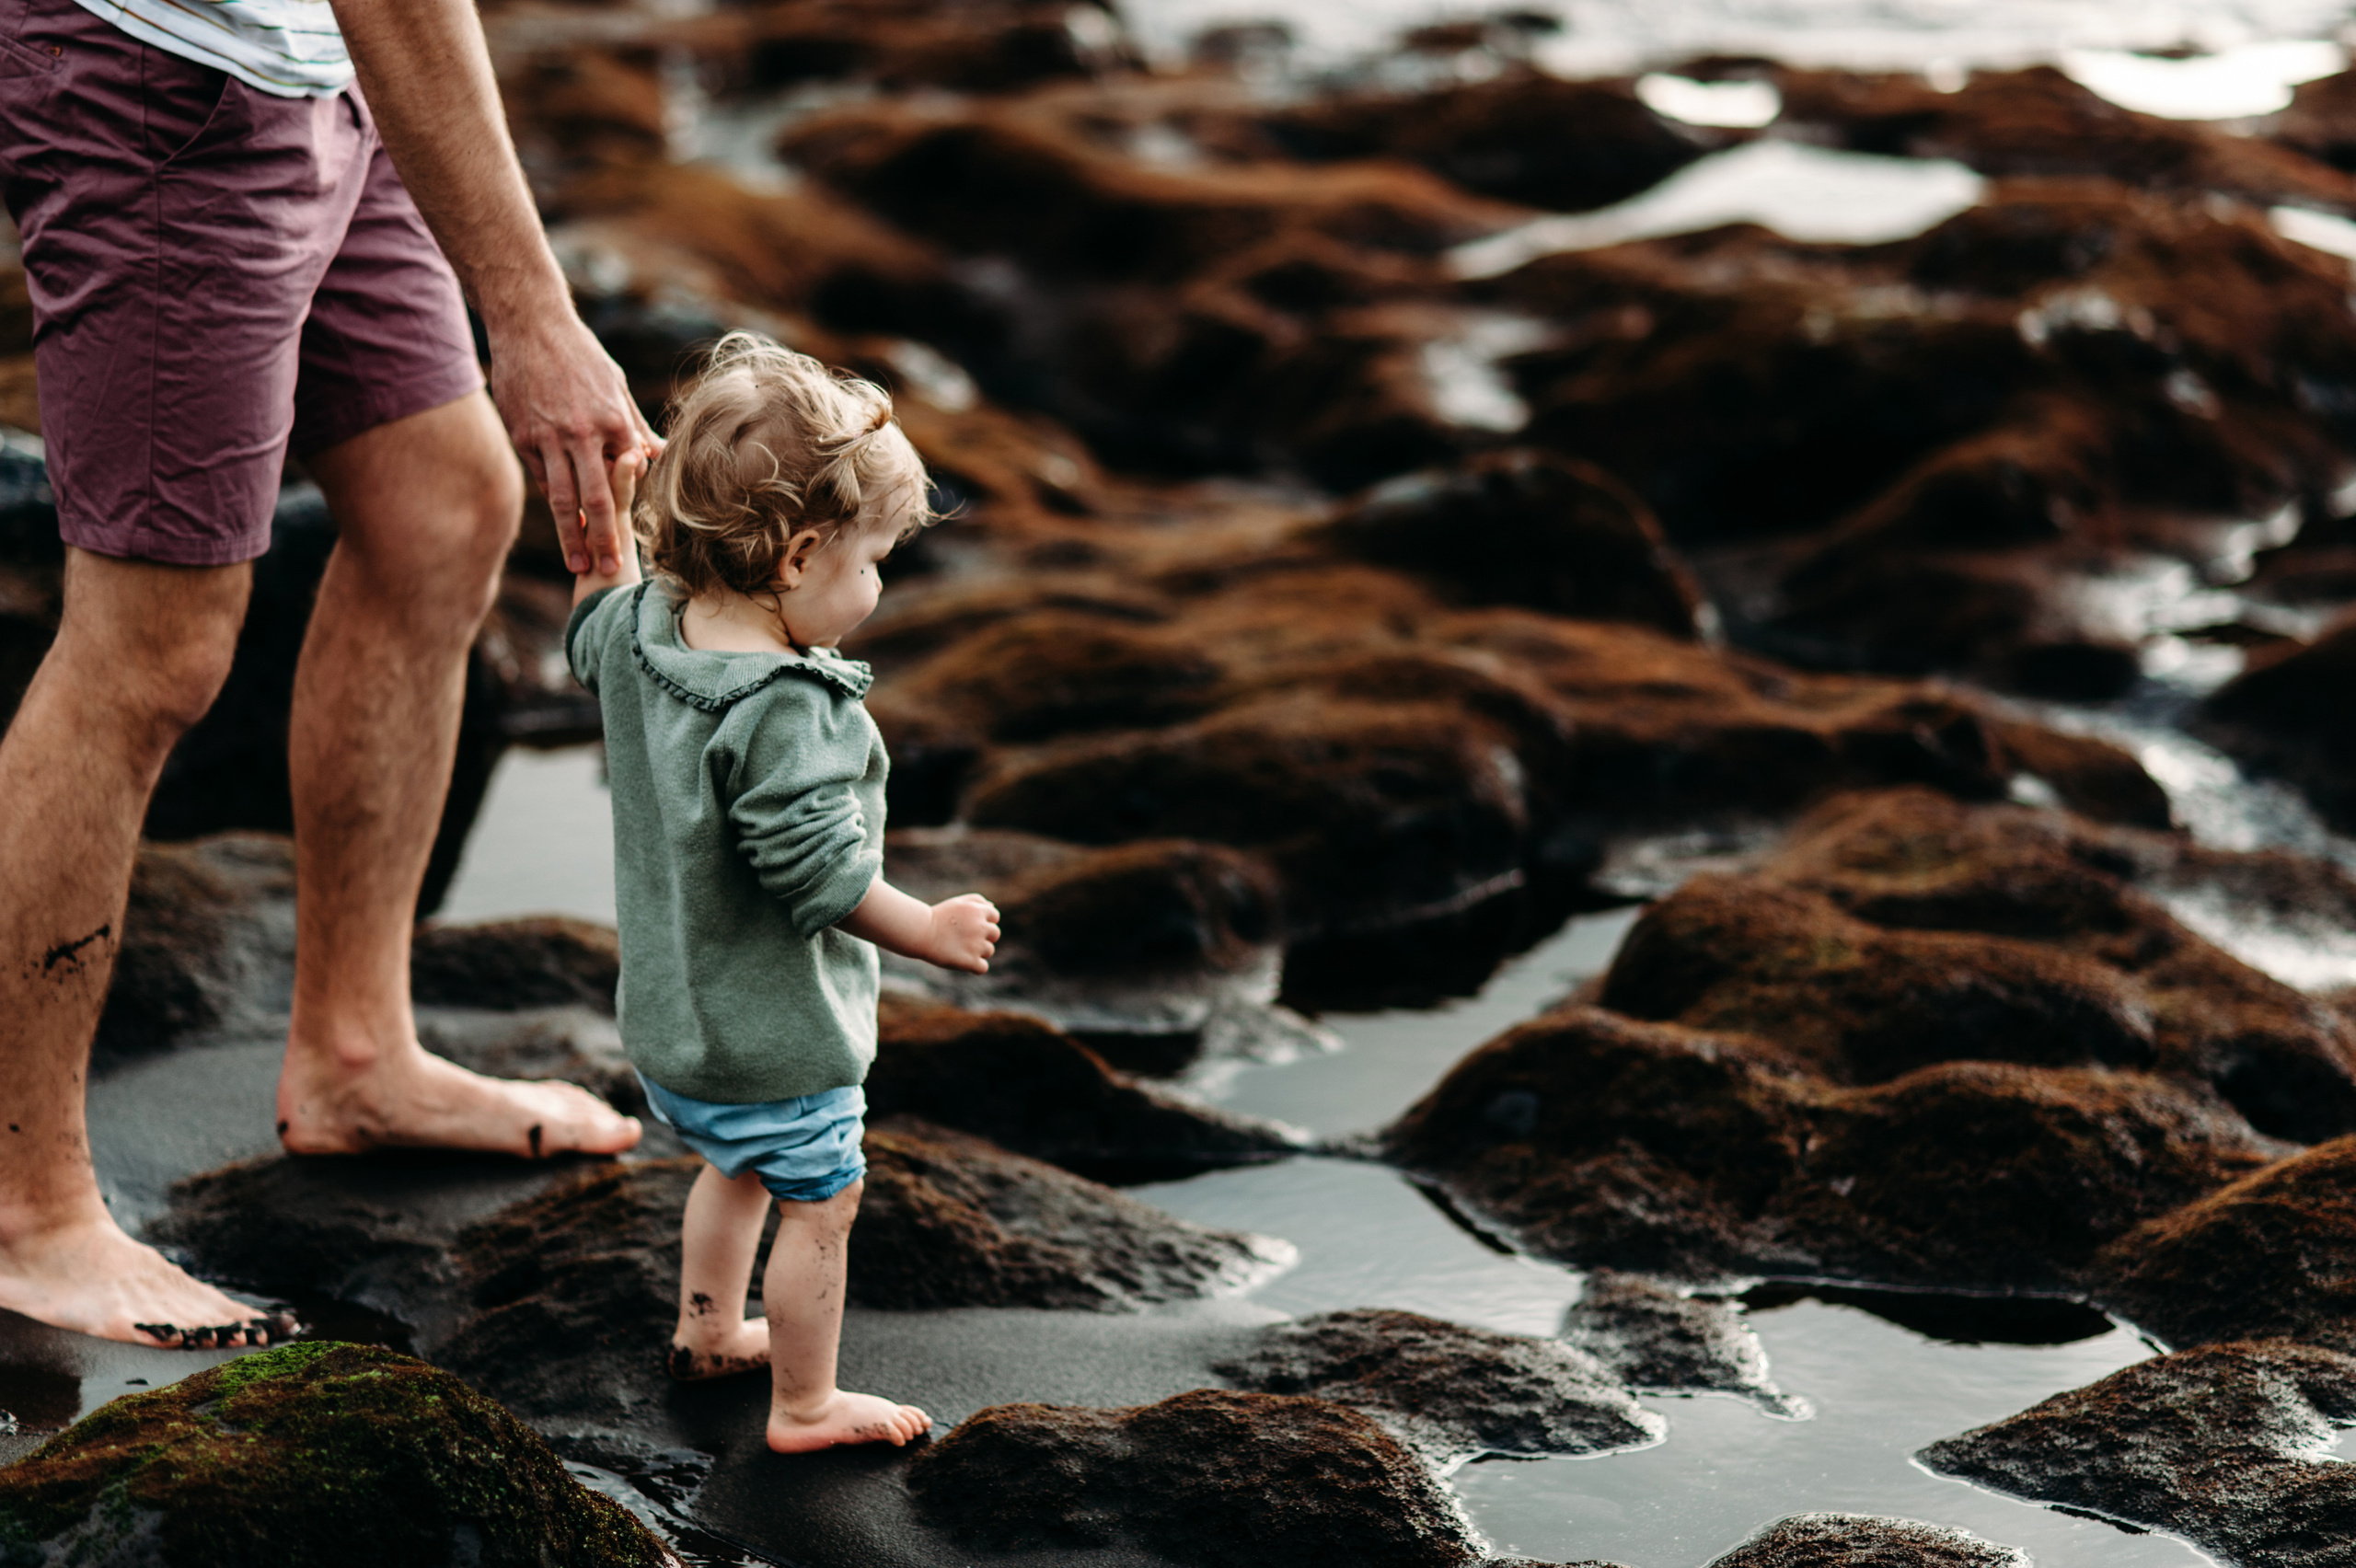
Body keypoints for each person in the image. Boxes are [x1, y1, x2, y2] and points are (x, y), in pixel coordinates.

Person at [0, 0, 656, 1349]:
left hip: (327, 66)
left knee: (445, 499)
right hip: (160, 79)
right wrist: (532, 312)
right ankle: (26, 1209)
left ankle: (358, 1055)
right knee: (154, 643)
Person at [567, 333, 998, 1452]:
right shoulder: (786, 707)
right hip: (777, 1035)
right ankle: (805, 1405)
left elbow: (589, 619)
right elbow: (819, 876)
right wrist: (928, 930)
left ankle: (709, 1331)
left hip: (673, 1026)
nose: (877, 584)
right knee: (821, 1199)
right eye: (871, 561)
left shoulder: (641, 625)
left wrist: (606, 531)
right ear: (800, 556)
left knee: (733, 1163)